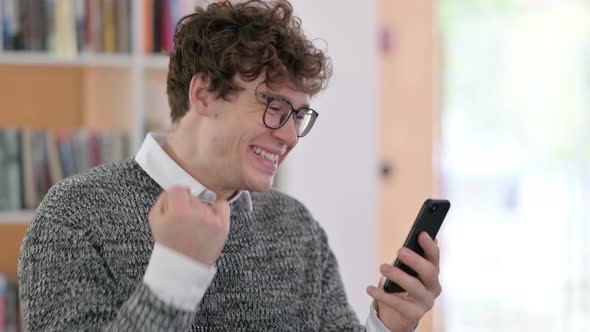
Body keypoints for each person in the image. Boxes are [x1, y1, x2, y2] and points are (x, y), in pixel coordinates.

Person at [18, 1, 442, 331]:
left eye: (298, 115)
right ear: (203, 95)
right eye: (275, 106)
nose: (291, 136)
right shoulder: (74, 215)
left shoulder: (295, 226)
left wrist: (388, 324)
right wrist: (176, 271)